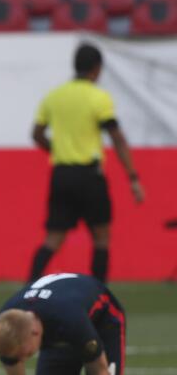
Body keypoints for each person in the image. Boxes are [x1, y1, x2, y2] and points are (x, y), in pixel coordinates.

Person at [28, 42, 145, 284]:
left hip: (62, 174)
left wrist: (56, 148)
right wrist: (133, 177)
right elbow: (117, 137)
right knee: (101, 238)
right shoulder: (98, 97)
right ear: (96, 68)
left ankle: (27, 290)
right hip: (90, 176)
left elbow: (37, 134)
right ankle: (98, 295)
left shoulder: (54, 96)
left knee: (52, 239)